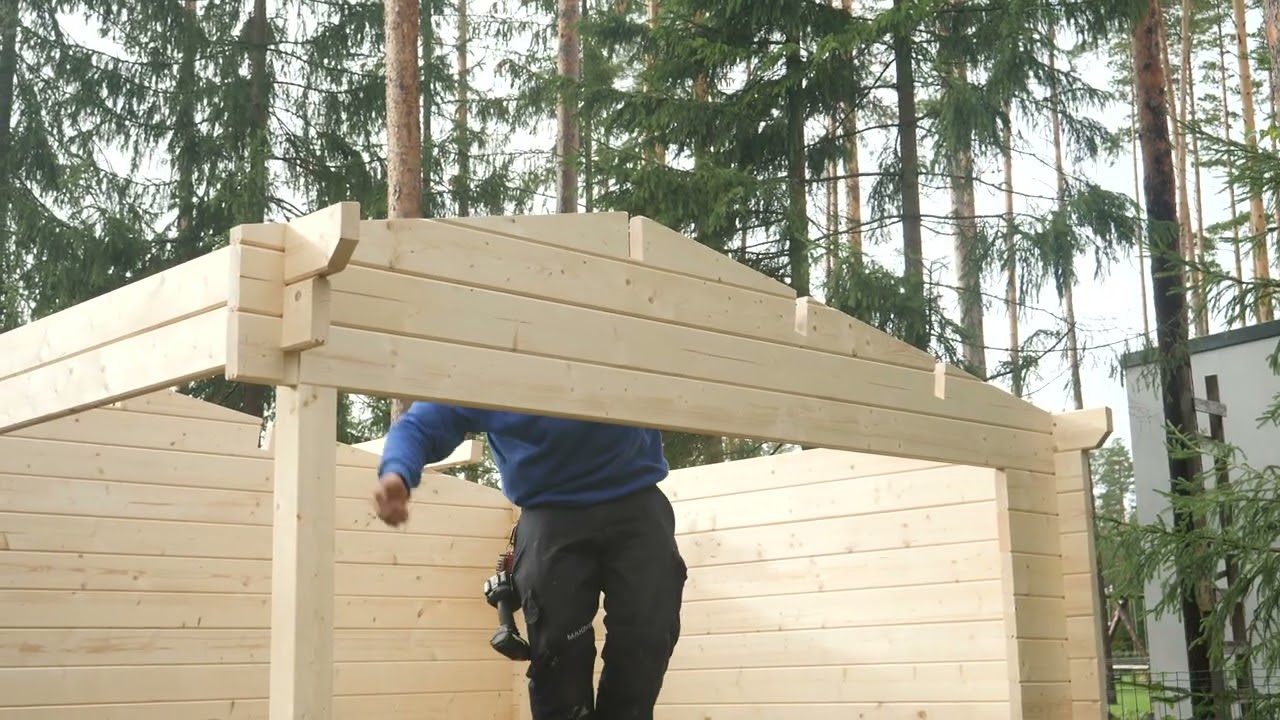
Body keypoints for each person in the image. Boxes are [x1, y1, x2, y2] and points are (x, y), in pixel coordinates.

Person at [372, 401, 688, 720]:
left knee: (647, 642)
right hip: (550, 515)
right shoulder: (488, 361)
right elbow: (423, 423)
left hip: (636, 503)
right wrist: (397, 472)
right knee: (558, 665)